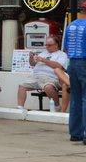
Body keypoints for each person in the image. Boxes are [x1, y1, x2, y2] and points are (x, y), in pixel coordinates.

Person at [16, 35, 68, 112]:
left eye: (49, 45)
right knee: (22, 86)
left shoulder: (62, 54)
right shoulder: (43, 53)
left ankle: (57, 106)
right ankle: (20, 108)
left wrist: (43, 60)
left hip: (51, 77)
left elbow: (59, 66)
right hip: (36, 77)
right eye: (46, 45)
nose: (47, 47)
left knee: (48, 87)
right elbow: (32, 64)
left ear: (56, 45)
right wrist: (31, 58)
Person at [64, 11, 86, 143]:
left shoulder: (71, 25)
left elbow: (66, 48)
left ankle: (75, 133)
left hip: (72, 63)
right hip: (84, 62)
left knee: (76, 98)